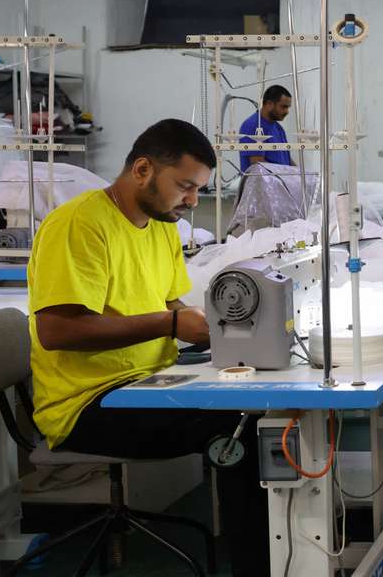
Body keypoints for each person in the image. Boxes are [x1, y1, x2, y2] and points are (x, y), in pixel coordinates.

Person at [28, 119, 268, 575]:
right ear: (142, 169)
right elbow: (57, 332)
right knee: (242, 429)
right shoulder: (80, 224)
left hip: (148, 381)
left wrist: (226, 331)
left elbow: (170, 302)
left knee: (263, 403)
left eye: (198, 190)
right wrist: (170, 323)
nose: (192, 201)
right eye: (185, 187)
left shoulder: (161, 225)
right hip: (87, 402)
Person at [238, 84, 294, 172]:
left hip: (280, 183)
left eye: (288, 107)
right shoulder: (253, 126)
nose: (287, 111)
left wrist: (300, 175)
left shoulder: (278, 128)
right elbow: (258, 165)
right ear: (269, 104)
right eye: (283, 107)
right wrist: (287, 177)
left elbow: (287, 161)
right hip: (262, 184)